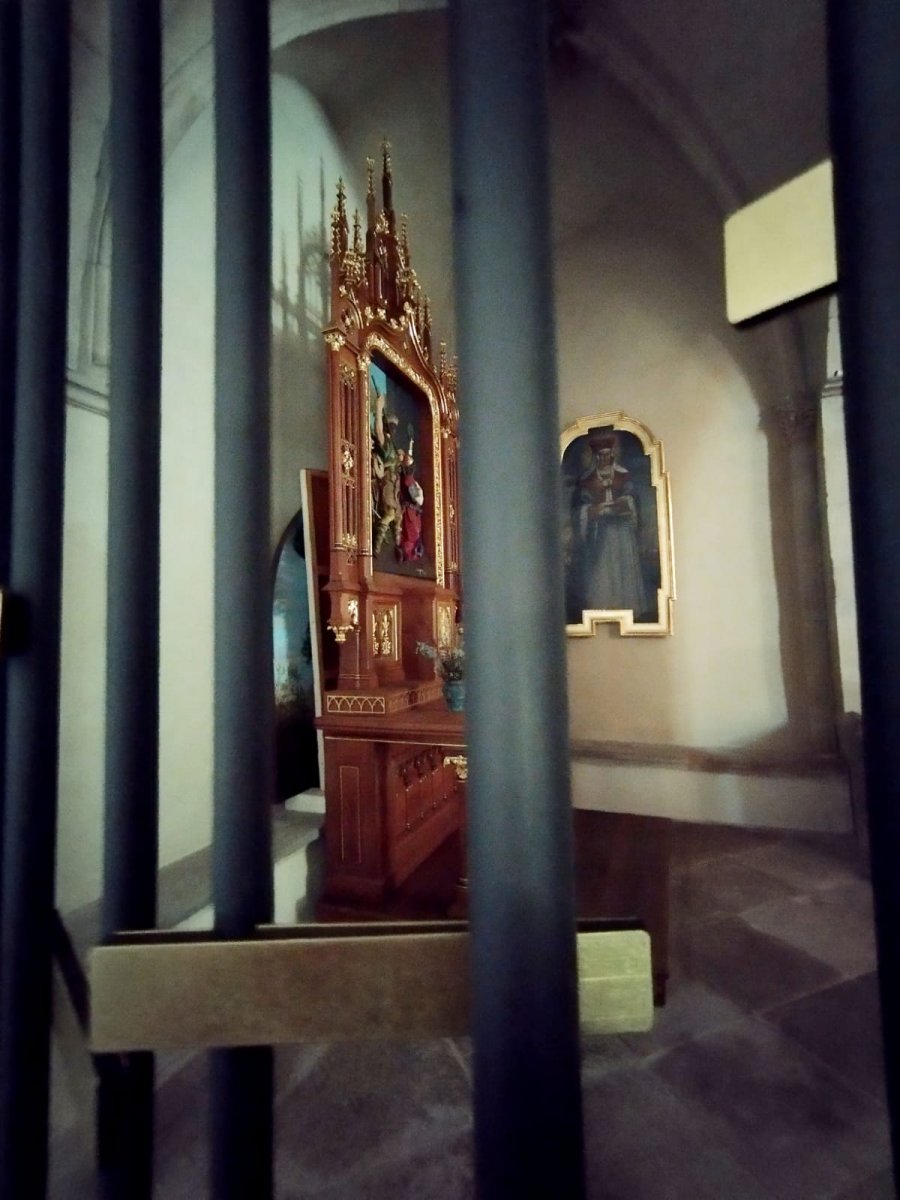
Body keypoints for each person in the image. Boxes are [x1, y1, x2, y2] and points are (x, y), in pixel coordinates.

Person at [568, 432, 649, 616]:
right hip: (599, 535)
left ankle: (627, 607)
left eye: (608, 455)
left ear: (612, 455)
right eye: (601, 456)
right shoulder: (586, 481)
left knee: (622, 570)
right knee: (603, 572)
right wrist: (590, 511)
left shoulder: (623, 476)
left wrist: (626, 503)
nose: (605, 460)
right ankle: (601, 607)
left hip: (621, 533)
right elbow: (578, 508)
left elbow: (632, 498)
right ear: (596, 458)